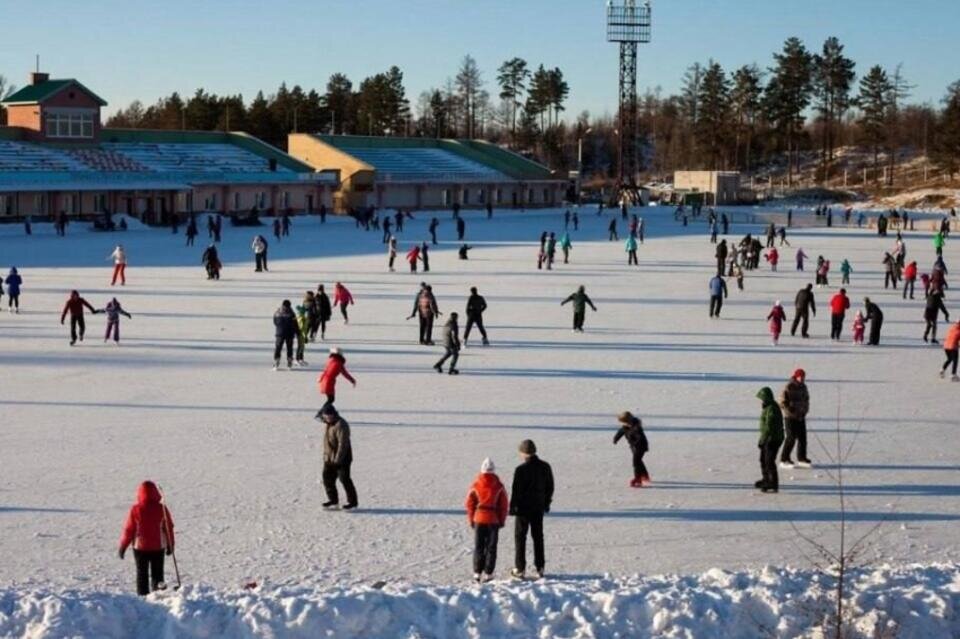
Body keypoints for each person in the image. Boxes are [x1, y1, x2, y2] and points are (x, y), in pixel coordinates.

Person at [118, 480, 175, 596]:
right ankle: (158, 595)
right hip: (158, 547)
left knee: (141, 573)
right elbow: (168, 528)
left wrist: (123, 546)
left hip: (140, 548)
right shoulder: (162, 509)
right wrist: (170, 544)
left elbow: (129, 529)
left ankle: (142, 596)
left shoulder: (135, 509)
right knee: (158, 573)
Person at [509, 439, 554, 580]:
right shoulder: (545, 467)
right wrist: (546, 503)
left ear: (523, 453)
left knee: (520, 538)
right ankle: (540, 567)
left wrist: (512, 508)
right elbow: (550, 487)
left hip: (523, 509)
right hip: (538, 507)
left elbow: (516, 491)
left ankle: (520, 568)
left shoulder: (520, 470)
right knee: (538, 537)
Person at [465, 458, 509, 583]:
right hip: (493, 520)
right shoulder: (499, 486)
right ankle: (489, 573)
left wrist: (471, 519)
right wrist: (501, 520)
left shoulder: (475, 485)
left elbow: (469, 503)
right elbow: (504, 505)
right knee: (491, 547)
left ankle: (477, 572)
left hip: (479, 518)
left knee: (479, 546)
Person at [318, 404, 358, 510]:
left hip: (342, 458)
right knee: (327, 479)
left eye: (330, 415)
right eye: (326, 416)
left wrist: (338, 459)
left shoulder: (341, 425)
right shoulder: (328, 423)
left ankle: (352, 503)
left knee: (344, 479)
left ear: (334, 414)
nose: (328, 418)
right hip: (329, 457)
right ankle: (333, 501)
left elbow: (342, 444)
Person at [779, 369, 811, 468]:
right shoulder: (789, 386)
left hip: (801, 417)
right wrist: (790, 410)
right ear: (796, 376)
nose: (801, 379)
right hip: (790, 417)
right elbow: (782, 402)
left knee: (802, 438)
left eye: (803, 377)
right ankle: (784, 459)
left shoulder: (804, 387)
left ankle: (802, 458)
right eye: (800, 377)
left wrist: (804, 411)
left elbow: (806, 400)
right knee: (791, 438)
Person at [755, 387, 784, 493]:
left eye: (762, 399)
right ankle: (766, 479)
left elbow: (769, 427)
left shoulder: (772, 408)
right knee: (763, 459)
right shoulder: (767, 407)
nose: (761, 401)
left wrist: (763, 440)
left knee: (769, 461)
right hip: (768, 437)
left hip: (773, 439)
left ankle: (773, 483)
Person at [613, 411, 650, 487]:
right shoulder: (626, 427)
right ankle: (645, 475)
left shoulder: (637, 427)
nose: (623, 424)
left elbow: (640, 437)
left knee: (636, 462)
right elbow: (620, 432)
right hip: (633, 447)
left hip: (640, 446)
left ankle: (638, 478)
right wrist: (616, 439)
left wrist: (636, 444)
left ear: (628, 421)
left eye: (624, 422)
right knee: (639, 461)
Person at [272, 300, 297, 370]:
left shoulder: (277, 312)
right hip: (289, 334)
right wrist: (297, 332)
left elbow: (275, 321)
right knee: (289, 348)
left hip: (280, 333)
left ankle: (276, 361)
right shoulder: (292, 313)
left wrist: (279, 327)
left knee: (278, 347)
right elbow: (295, 324)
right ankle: (289, 362)